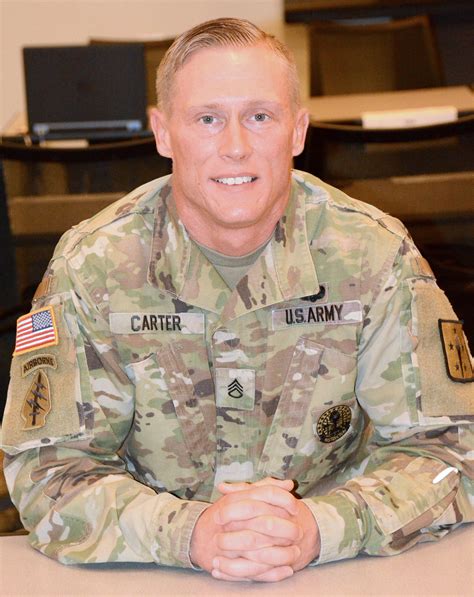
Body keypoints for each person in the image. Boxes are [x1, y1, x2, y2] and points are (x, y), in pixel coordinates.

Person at [1, 17, 473, 583]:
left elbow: (454, 451)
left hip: (337, 570)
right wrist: (189, 533)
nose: (235, 147)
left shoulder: (373, 255)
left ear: (297, 131)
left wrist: (323, 527)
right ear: (163, 133)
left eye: (259, 116)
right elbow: (45, 472)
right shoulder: (92, 268)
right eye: (207, 119)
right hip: (148, 571)